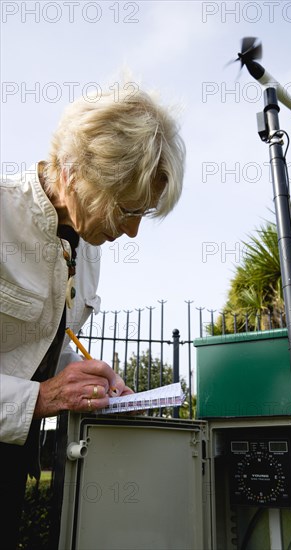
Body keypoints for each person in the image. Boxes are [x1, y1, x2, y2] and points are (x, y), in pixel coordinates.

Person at [0, 82, 185, 548]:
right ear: (74, 173)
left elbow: (42, 347)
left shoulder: (90, 251)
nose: (133, 230)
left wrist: (85, 378)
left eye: (143, 212)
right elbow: (34, 387)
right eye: (127, 209)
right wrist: (38, 399)